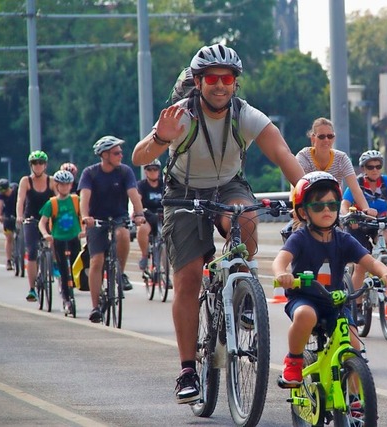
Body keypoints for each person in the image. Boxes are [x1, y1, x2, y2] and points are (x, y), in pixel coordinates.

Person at [130, 43, 305, 404]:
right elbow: (139, 155)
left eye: (228, 78)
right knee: (188, 277)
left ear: (235, 83)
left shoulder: (245, 115)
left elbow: (283, 154)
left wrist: (306, 196)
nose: (220, 85)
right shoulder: (181, 115)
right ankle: (187, 371)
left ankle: (243, 287)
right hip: (183, 191)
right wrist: (161, 136)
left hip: (229, 186)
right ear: (197, 81)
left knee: (247, 218)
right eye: (212, 78)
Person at [272, 172, 387, 387]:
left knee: (353, 348)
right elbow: (280, 261)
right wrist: (281, 275)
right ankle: (294, 360)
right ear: (304, 212)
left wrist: (384, 272)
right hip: (305, 299)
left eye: (332, 205)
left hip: (336, 304)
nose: (327, 211)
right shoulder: (300, 238)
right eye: (318, 206)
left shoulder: (343, 239)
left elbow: (370, 262)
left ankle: (356, 403)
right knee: (305, 314)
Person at [78, 136, 146, 323]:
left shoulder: (125, 172)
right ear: (105, 155)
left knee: (123, 233)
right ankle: (95, 307)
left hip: (118, 217)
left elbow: (134, 194)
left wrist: (139, 213)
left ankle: (120, 272)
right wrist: (86, 217)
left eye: (120, 152)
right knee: (96, 260)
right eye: (116, 153)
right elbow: (84, 198)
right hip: (96, 220)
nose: (121, 155)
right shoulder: (90, 173)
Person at [340, 150, 387, 298]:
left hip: (378, 224)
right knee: (361, 265)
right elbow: (345, 203)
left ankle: (386, 265)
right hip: (358, 225)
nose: (375, 170)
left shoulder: (386, 182)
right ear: (363, 168)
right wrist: (348, 216)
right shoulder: (357, 183)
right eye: (370, 167)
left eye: (378, 166)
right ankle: (356, 302)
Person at [296, 117, 373, 215]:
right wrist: (296, 210)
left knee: (343, 229)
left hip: (333, 210)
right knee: (299, 228)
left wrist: (366, 209)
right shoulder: (303, 157)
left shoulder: (341, 158)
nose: (326, 140)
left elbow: (355, 189)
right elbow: (296, 187)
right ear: (313, 138)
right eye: (321, 137)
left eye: (330, 136)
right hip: (309, 210)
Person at [37, 170, 83, 314]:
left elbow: (85, 215)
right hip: (59, 239)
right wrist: (46, 234)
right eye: (61, 185)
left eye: (67, 184)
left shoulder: (76, 200)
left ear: (71, 185)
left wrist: (84, 230)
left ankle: (77, 287)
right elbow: (42, 222)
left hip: (74, 237)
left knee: (77, 266)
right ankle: (67, 299)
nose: (64, 187)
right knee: (63, 270)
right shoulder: (52, 203)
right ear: (56, 186)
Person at [16, 151, 56, 302]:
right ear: (31, 166)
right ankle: (32, 288)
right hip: (31, 219)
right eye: (35, 163)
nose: (38, 166)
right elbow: (20, 200)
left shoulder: (51, 181)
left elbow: (58, 198)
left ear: (45, 165)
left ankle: (55, 265)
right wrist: (20, 216)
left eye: (40, 163)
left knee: (56, 242)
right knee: (32, 251)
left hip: (47, 219)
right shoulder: (26, 181)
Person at [136, 159, 165, 271]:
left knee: (170, 236)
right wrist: (137, 212)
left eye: (155, 169)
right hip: (147, 215)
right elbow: (137, 199)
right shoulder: (141, 185)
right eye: (149, 169)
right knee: (143, 229)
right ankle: (144, 256)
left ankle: (166, 269)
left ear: (159, 171)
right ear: (146, 172)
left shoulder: (164, 185)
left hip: (163, 215)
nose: (153, 171)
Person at [0, 178, 18, 270]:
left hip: (19, 213)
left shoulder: (16, 189)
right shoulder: (1, 196)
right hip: (8, 216)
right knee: (9, 238)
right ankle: (8, 261)